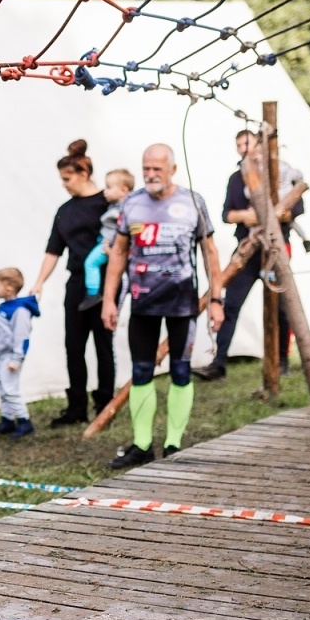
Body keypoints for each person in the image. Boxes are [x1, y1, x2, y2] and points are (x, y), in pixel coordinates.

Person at [101, 143, 226, 468]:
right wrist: (109, 300)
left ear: (172, 169)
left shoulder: (192, 201)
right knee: (141, 373)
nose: (151, 174)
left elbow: (210, 253)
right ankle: (142, 445)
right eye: (146, 168)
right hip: (143, 304)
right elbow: (118, 253)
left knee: (181, 372)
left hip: (182, 305)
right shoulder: (132, 202)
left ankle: (173, 445)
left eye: (157, 168)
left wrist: (215, 300)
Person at [195, 129, 308, 381]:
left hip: (275, 249)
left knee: (281, 308)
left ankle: (281, 361)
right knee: (231, 304)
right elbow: (228, 214)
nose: (242, 149)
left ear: (258, 145)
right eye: (238, 145)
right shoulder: (237, 178)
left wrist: (270, 215)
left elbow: (293, 209)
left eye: (246, 143)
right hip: (246, 249)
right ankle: (218, 362)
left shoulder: (279, 173)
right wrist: (249, 216)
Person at [29, 142, 116, 427]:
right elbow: (53, 250)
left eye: (67, 179)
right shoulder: (64, 211)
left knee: (103, 346)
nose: (64, 185)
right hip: (76, 284)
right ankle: (76, 406)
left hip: (104, 285)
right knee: (73, 346)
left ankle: (105, 403)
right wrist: (39, 282)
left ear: (83, 172)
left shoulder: (108, 202)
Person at [0, 267, 39, 438]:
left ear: (9, 288)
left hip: (11, 357)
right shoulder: (3, 307)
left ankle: (24, 421)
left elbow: (21, 337)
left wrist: (16, 359)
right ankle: (7, 420)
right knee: (1, 387)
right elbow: (0, 334)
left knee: (10, 389)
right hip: (1, 356)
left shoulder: (20, 310)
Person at [82, 168, 136, 302]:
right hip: (105, 241)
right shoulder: (116, 204)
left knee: (90, 263)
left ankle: (92, 293)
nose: (105, 191)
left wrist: (111, 248)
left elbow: (124, 232)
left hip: (108, 245)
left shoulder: (125, 209)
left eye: (108, 187)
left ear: (123, 190)